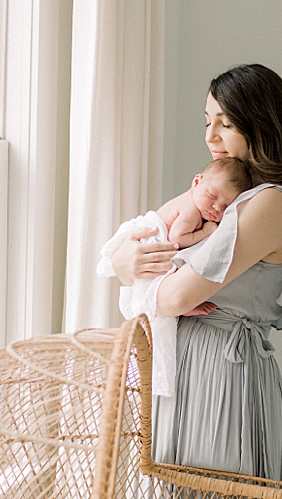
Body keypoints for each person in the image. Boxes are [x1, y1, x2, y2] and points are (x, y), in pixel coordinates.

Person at [108, 63, 282, 485]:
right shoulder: (220, 189)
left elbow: (173, 299)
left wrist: (134, 271)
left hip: (220, 368)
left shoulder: (269, 202)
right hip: (186, 361)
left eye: (226, 123)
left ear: (261, 125)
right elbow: (140, 236)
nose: (210, 136)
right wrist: (122, 262)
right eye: (208, 122)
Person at [99, 155, 252, 406]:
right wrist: (207, 232)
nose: (215, 208)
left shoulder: (201, 203)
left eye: (225, 207)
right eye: (212, 197)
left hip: (156, 247)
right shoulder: (192, 210)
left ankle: (173, 314)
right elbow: (179, 239)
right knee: (157, 301)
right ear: (196, 182)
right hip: (154, 238)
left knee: (158, 301)